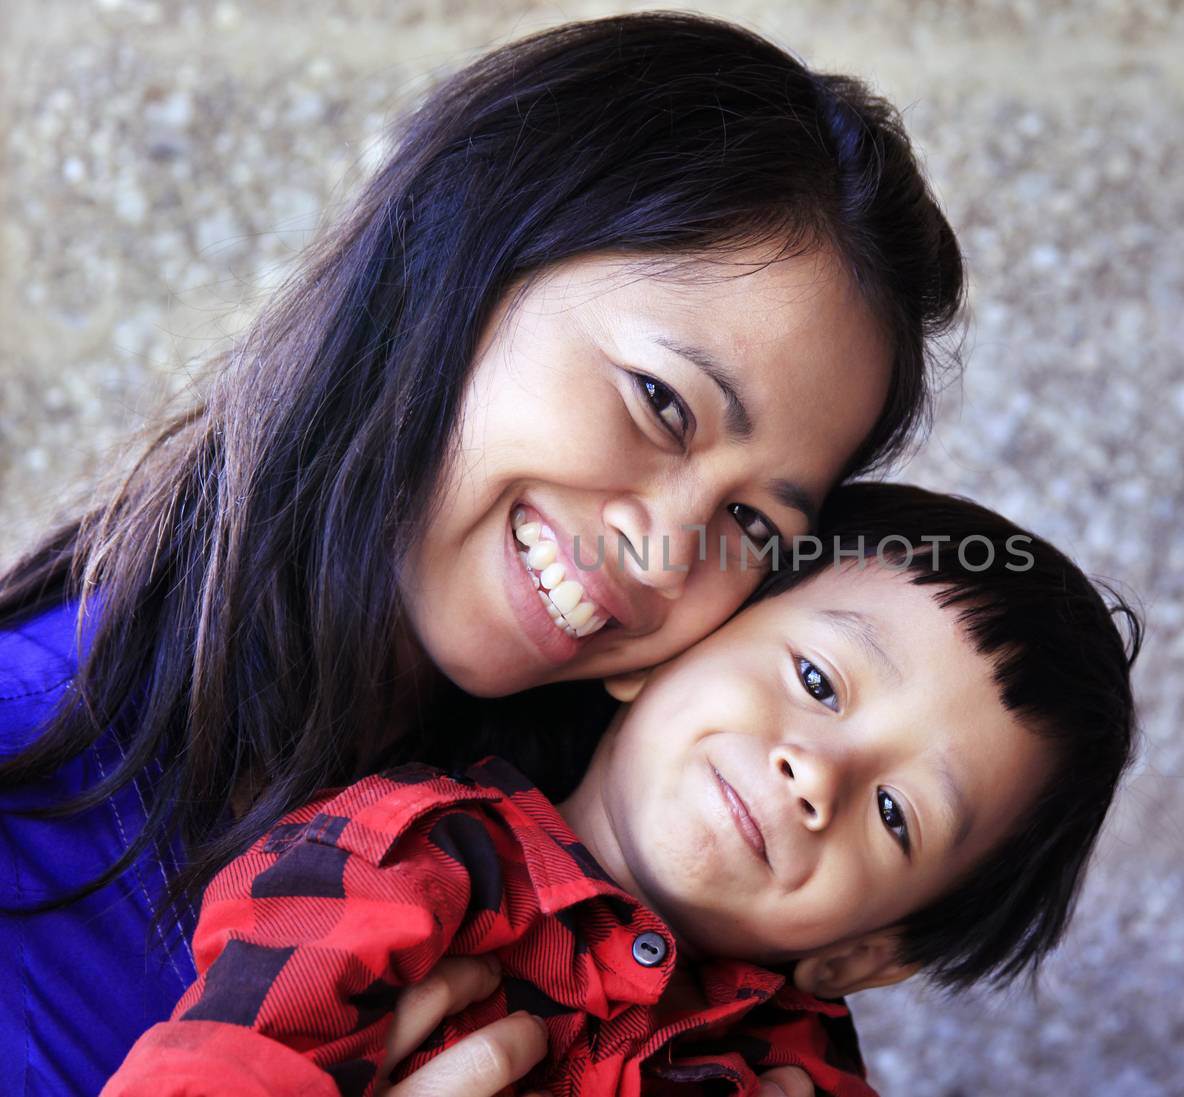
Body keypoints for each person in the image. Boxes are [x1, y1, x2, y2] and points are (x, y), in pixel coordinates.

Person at [0, 14, 964, 1096]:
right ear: (452, 263)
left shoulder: (633, 916)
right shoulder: (26, 783)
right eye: (660, 402)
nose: (660, 551)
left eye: (751, 526)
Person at [101, 483, 1143, 1097]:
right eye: (818, 680)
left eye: (895, 812)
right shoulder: (400, 860)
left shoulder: (794, 1072)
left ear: (866, 953)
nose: (817, 770)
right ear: (667, 651)